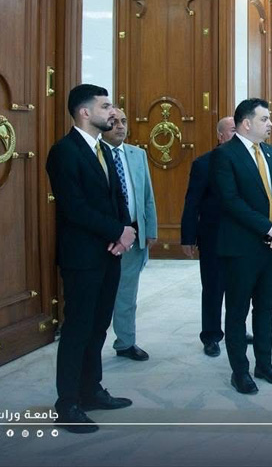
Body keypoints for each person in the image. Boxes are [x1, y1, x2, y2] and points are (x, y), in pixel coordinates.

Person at [45, 84, 135, 433]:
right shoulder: (64, 152)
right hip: (82, 257)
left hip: (109, 253)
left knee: (99, 326)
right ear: (85, 112)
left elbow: (117, 198)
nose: (112, 112)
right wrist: (117, 231)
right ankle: (67, 403)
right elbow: (75, 208)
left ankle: (91, 389)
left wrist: (126, 230)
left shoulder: (103, 149)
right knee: (78, 328)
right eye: (105, 106)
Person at [212, 98, 272, 394]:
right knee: (237, 311)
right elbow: (230, 201)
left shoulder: (270, 152)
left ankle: (264, 364)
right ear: (247, 123)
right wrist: (268, 227)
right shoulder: (225, 155)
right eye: (264, 119)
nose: (271, 123)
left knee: (266, 308)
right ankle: (240, 372)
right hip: (240, 248)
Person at [180, 116, 253, 357]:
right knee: (213, 288)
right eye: (232, 130)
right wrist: (188, 237)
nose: (237, 134)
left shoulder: (249, 161)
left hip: (243, 236)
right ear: (220, 136)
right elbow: (192, 203)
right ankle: (211, 336)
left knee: (241, 287)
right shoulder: (203, 164)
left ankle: (237, 329)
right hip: (214, 238)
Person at [101, 107, 158, 360]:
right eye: (114, 122)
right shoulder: (95, 154)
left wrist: (150, 230)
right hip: (104, 236)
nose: (120, 127)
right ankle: (91, 344)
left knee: (127, 293)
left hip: (134, 234)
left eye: (123, 121)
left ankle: (125, 342)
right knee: (100, 293)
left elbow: (147, 196)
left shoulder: (137, 154)